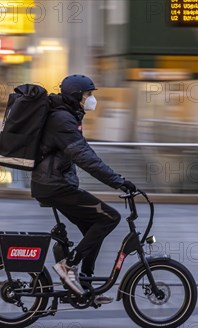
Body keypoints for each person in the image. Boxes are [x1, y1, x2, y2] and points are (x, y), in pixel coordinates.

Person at [30, 74, 137, 304]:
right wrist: (118, 180)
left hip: (55, 184)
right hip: (54, 186)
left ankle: (84, 287)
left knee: (93, 226)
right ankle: (67, 266)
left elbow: (84, 154)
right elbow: (85, 158)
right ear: (77, 96)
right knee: (110, 217)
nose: (91, 99)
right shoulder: (62, 120)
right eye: (88, 95)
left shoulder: (68, 116)